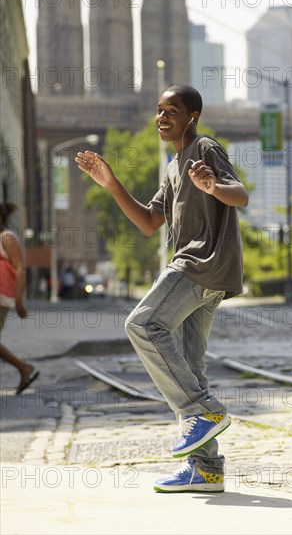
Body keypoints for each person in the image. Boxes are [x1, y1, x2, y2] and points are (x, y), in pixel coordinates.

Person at [75, 84, 248, 493]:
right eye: (158, 110)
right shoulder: (172, 167)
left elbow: (239, 195)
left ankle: (202, 412)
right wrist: (112, 184)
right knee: (189, 365)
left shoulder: (205, 147)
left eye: (172, 110)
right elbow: (151, 222)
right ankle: (205, 470)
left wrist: (213, 188)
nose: (161, 117)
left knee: (143, 325)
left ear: (193, 117)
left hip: (199, 264)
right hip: (201, 271)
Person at [0, 203, 39, 394]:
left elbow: (21, 269)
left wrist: (19, 301)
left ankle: (24, 368)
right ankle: (24, 368)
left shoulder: (7, 238)